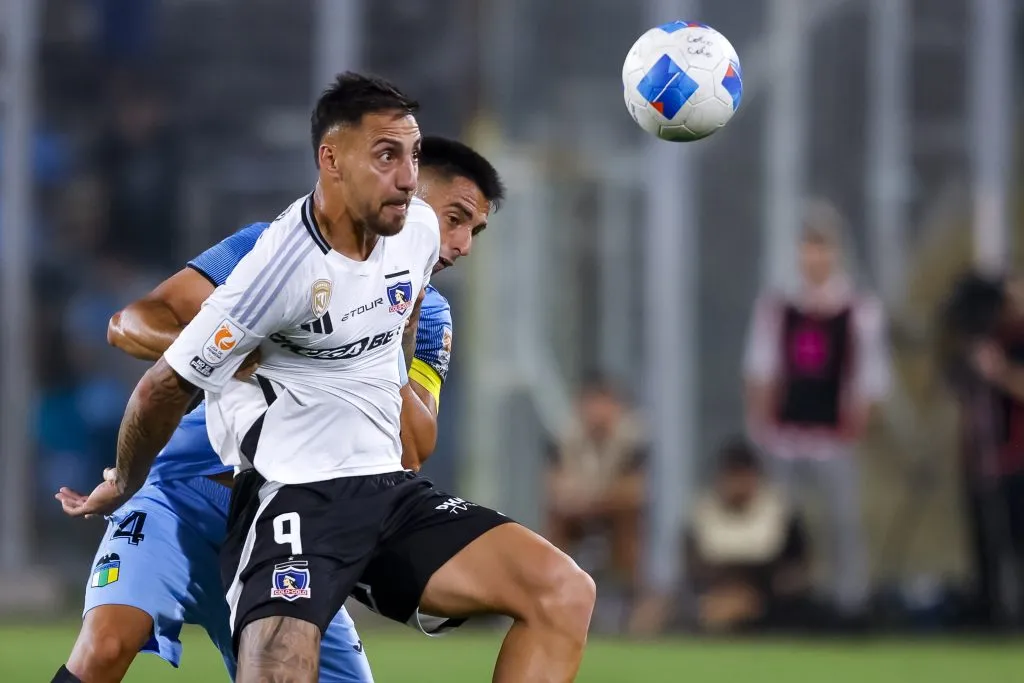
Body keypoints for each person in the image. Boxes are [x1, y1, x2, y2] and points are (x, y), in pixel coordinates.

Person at [61, 72, 595, 683]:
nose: (462, 243)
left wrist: (373, 336)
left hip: (380, 495)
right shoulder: (272, 264)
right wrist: (238, 360)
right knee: (114, 649)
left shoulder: (416, 248)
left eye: (414, 158)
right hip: (257, 496)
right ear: (333, 160)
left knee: (563, 590)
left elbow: (414, 446)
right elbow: (145, 350)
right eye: (457, 217)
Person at [743, 199, 890, 622]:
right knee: (779, 527)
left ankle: (848, 605)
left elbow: (869, 380)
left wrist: (857, 425)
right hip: (785, 434)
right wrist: (761, 426)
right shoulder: (779, 308)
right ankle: (779, 602)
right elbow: (761, 370)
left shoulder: (859, 311)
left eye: (823, 247)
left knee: (841, 525)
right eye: (808, 247)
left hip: (833, 436)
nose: (815, 257)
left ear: (836, 253)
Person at [686, 438, 811, 633]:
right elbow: (694, 569)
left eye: (744, 476)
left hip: (771, 601)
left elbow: (796, 567)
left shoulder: (781, 513)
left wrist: (753, 595)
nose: (738, 485)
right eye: (732, 477)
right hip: (714, 595)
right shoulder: (702, 515)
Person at [546, 374, 647, 590]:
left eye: (604, 403)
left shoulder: (631, 436)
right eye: (592, 403)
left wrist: (594, 498)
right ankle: (553, 585)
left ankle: (629, 592)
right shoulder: (564, 436)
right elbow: (554, 488)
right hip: (575, 511)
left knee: (629, 519)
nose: (598, 412)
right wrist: (583, 499)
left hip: (612, 510)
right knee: (555, 520)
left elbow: (633, 492)